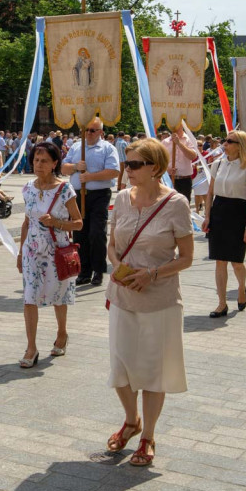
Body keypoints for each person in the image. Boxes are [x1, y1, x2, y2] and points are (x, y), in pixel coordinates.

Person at [105, 138, 193, 467]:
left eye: (135, 165)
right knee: (121, 366)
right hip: (123, 296)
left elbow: (186, 258)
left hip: (160, 300)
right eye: (127, 163)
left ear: (155, 167)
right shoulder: (121, 200)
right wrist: (117, 267)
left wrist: (151, 274)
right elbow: (112, 245)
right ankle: (131, 420)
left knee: (153, 371)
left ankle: (148, 435)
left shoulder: (176, 203)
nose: (128, 170)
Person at [16, 141, 81, 368]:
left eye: (44, 161)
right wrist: (20, 252)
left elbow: (79, 223)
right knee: (29, 297)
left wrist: (56, 223)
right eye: (35, 160)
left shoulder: (65, 190)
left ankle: (62, 333)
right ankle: (31, 347)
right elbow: (26, 222)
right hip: (32, 250)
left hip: (56, 250)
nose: (39, 164)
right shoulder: (27, 189)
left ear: (55, 163)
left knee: (58, 295)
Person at [61, 118, 121, 286]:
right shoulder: (76, 147)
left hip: (99, 195)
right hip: (78, 195)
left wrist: (90, 176)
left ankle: (98, 270)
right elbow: (63, 168)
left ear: (101, 132)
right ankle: (83, 270)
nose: (88, 133)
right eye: (86, 130)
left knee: (96, 233)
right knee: (80, 233)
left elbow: (114, 171)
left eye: (93, 130)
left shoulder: (108, 148)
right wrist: (75, 167)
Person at [203, 130, 246, 318]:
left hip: (238, 213)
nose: (225, 144)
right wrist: (207, 216)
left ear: (240, 145)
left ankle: (242, 288)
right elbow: (210, 193)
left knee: (236, 262)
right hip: (219, 212)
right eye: (225, 140)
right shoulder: (217, 164)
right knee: (219, 260)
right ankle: (221, 303)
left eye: (230, 141)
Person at [161, 125, 198, 202]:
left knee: (184, 204)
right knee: (169, 204)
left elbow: (192, 156)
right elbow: (160, 160)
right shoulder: (165, 142)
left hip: (184, 180)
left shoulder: (190, 139)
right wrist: (167, 169)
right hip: (169, 179)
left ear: (182, 125)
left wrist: (179, 143)